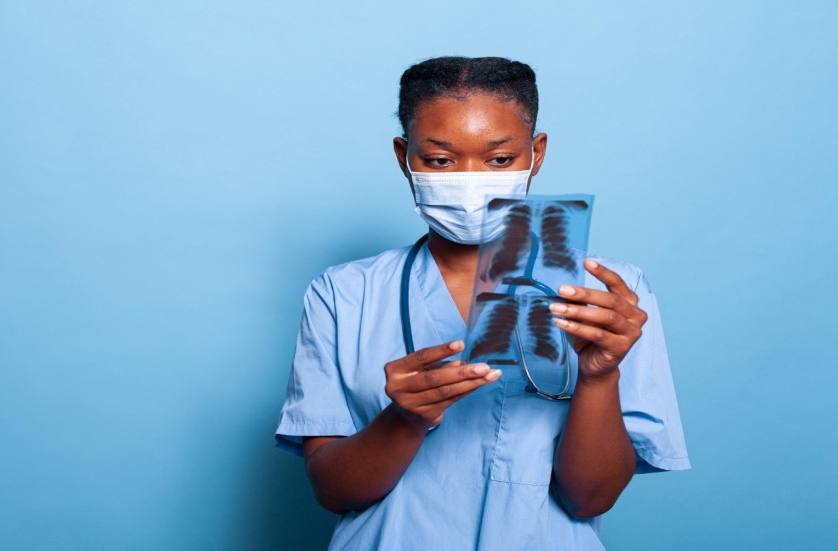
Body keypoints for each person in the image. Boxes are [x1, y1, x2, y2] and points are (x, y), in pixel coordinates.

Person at [274, 56, 690, 550]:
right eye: (441, 161)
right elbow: (333, 490)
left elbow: (590, 499)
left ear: (536, 154)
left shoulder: (612, 298)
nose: (471, 181)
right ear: (403, 156)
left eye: (498, 160)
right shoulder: (345, 293)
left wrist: (600, 375)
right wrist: (403, 419)